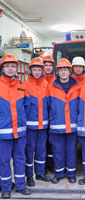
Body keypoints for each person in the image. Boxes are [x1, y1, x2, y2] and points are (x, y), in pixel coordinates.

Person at [0, 54, 31, 199]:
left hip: (20, 131)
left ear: (16, 69)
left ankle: (21, 186)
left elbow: (27, 106)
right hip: (3, 132)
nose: (10, 69)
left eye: (13, 66)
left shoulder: (22, 86)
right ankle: (6, 188)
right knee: (4, 161)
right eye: (7, 66)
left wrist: (22, 120)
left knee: (20, 159)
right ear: (3, 68)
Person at [47, 58, 80, 184]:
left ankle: (71, 174)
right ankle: (59, 173)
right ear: (57, 71)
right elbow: (48, 106)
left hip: (72, 126)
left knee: (71, 151)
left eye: (65, 69)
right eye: (61, 69)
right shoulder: (51, 87)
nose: (63, 72)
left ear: (69, 71)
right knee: (58, 151)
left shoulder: (77, 87)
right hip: (56, 126)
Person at [24, 58, 51, 187]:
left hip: (43, 125)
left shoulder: (47, 84)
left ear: (42, 70)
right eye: (34, 69)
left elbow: (50, 105)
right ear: (30, 70)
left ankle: (40, 173)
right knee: (29, 151)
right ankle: (29, 176)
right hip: (30, 126)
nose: (36, 72)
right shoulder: (25, 85)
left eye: (39, 69)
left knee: (41, 150)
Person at [43, 55, 55, 173]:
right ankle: (43, 166)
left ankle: (51, 165)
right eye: (45, 65)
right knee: (43, 144)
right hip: (41, 118)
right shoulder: (39, 80)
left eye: (50, 65)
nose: (48, 67)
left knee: (52, 143)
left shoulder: (56, 80)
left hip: (53, 118)